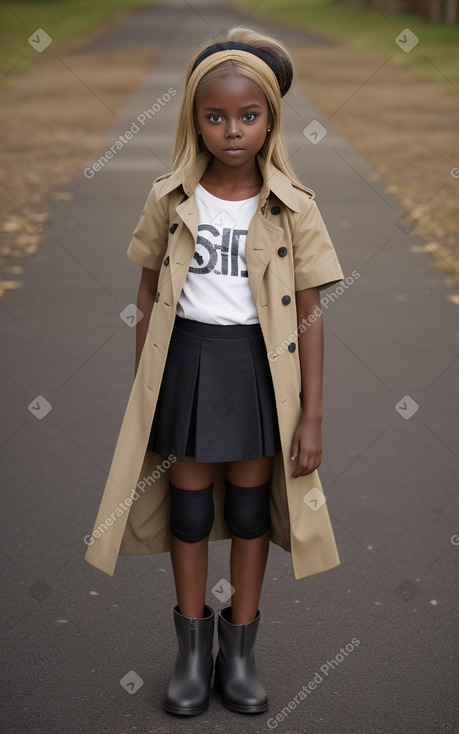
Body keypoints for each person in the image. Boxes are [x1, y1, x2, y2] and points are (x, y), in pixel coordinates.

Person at [85, 26, 344, 718]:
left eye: (248, 116)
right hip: (188, 367)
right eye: (215, 116)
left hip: (259, 373)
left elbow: (312, 314)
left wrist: (312, 415)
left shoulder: (294, 206)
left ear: (270, 119)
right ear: (193, 121)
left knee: (252, 508)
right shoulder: (171, 198)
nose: (232, 130)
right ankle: (191, 653)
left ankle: (240, 651)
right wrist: (147, 387)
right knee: (191, 509)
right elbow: (146, 296)